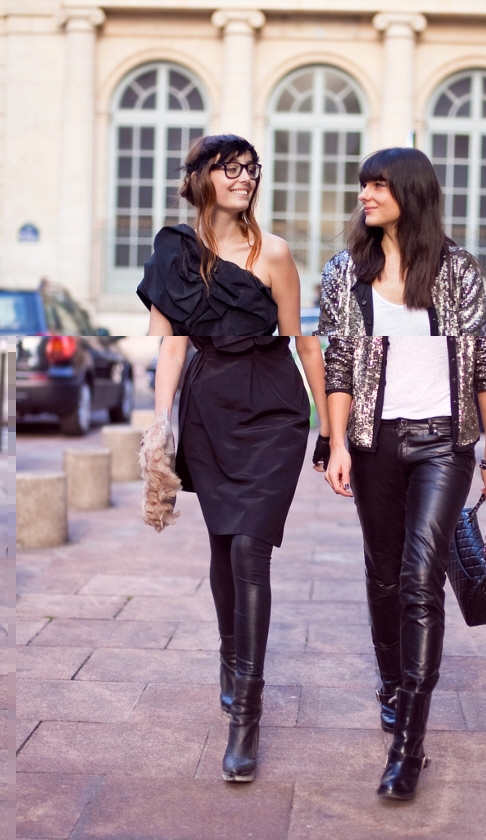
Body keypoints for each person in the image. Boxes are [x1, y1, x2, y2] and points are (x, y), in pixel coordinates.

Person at [317, 147, 486, 801]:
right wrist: (337, 443)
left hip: (443, 444)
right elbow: (338, 365)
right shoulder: (346, 271)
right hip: (373, 442)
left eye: (378, 185)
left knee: (421, 579)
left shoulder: (457, 270)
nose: (364, 195)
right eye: (363, 185)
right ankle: (393, 684)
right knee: (384, 574)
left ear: (411, 193)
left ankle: (408, 749)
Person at [139, 134, 330, 783]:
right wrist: (160, 426)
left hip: (274, 410)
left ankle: (246, 716)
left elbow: (304, 343)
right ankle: (231, 656)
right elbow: (170, 345)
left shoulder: (274, 252)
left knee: (251, 548)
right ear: (201, 178)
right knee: (224, 547)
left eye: (252, 169)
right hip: (210, 407)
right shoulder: (174, 253)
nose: (245, 178)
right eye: (231, 169)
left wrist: (328, 430)